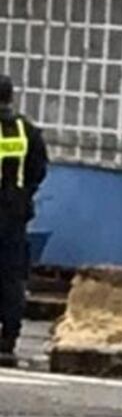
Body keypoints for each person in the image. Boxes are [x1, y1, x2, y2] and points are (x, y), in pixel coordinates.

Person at [0, 75, 49, 367]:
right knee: (12, 276)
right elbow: (38, 169)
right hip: (14, 216)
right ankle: (8, 338)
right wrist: (22, 195)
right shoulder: (26, 130)